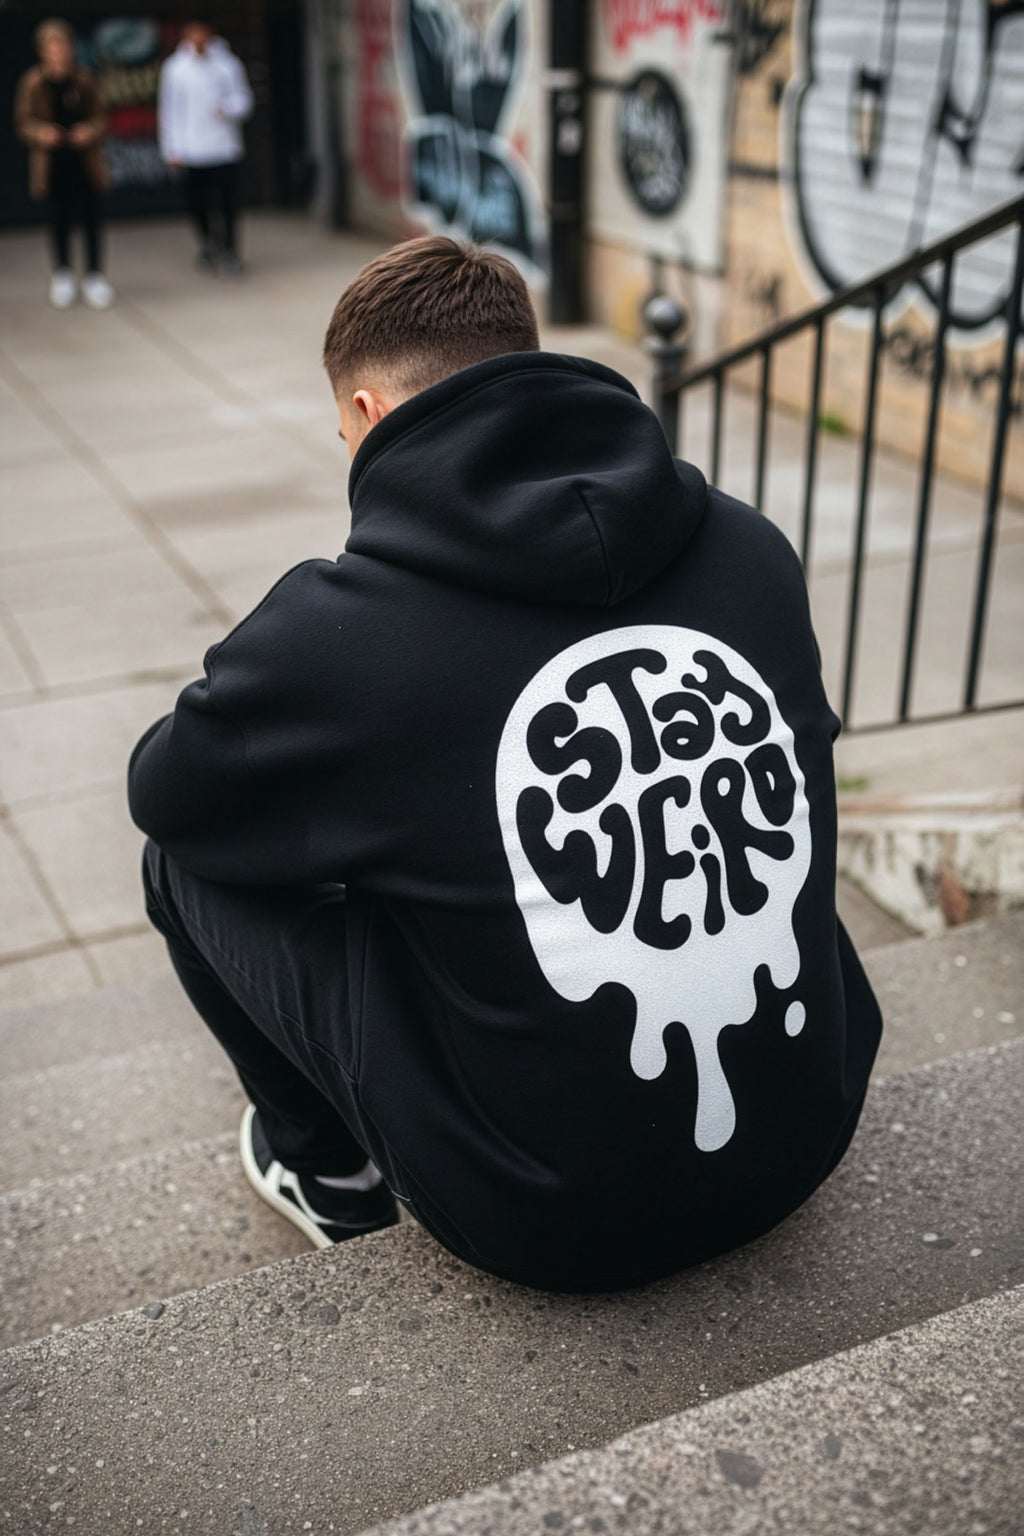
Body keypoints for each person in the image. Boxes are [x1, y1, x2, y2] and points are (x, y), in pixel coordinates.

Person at [129, 236, 882, 1293]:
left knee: (181, 861)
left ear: (367, 416)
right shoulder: (749, 546)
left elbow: (165, 791)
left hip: (543, 1217)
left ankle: (330, 1176)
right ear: (525, 358)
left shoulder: (337, 639)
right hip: (811, 1126)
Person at [14, 18, 115, 310]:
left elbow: (101, 118)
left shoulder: (84, 80)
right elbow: (23, 122)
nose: (58, 52)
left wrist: (89, 132)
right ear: (42, 50)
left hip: (84, 162)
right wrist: (43, 134)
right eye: (52, 47)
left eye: (62, 46)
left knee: (91, 221)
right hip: (52, 163)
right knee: (58, 221)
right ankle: (63, 275)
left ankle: (95, 276)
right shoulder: (33, 82)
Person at [158, 20, 253, 277]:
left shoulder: (227, 64)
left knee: (228, 204)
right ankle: (209, 243)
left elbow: (244, 100)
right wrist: (171, 149)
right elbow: (170, 111)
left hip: (223, 147)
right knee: (196, 204)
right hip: (191, 149)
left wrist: (228, 109)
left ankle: (230, 249)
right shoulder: (175, 69)